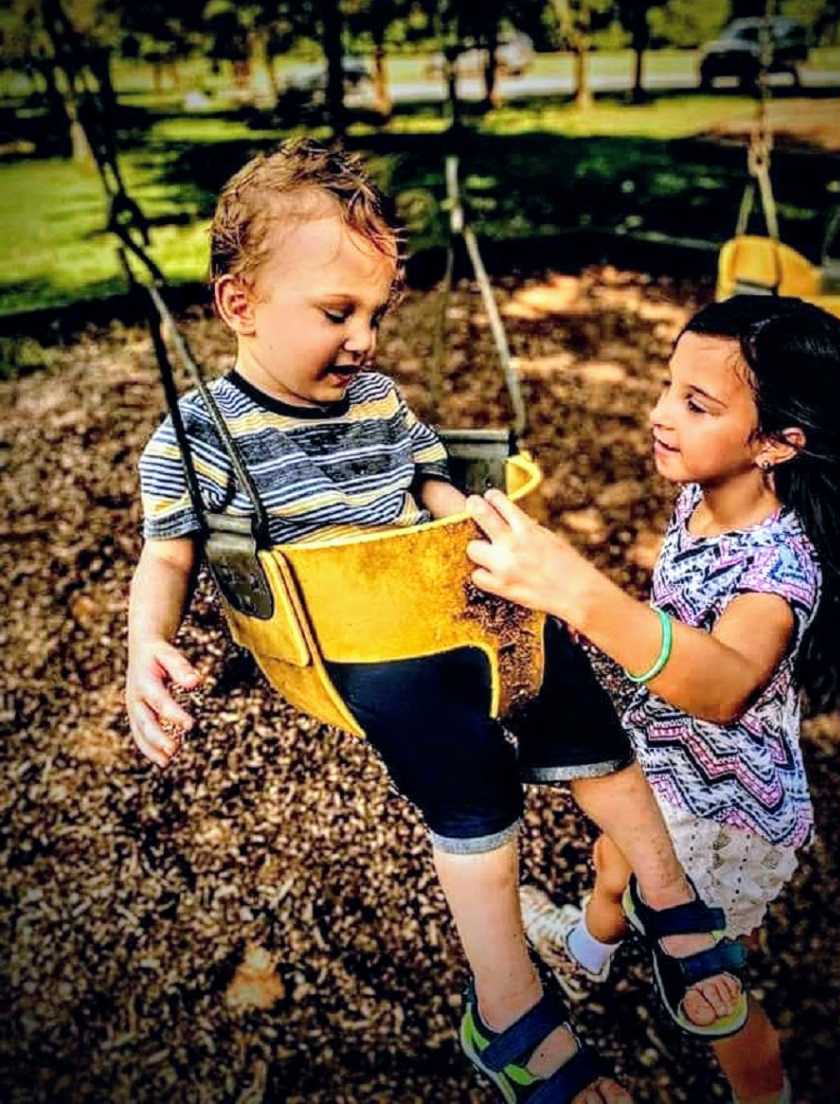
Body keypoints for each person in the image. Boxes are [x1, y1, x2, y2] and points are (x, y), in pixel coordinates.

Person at [126, 139, 748, 1104]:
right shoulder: (199, 435)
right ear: (239, 305)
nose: (366, 338)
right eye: (338, 313)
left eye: (377, 313)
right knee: (470, 778)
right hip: (353, 647)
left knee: (579, 698)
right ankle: (505, 1007)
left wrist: (468, 525)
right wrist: (147, 648)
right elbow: (167, 554)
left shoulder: (374, 396)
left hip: (455, 604)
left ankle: (669, 896)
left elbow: (429, 476)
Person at [465, 293, 840, 1104]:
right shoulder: (706, 496)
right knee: (615, 858)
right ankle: (586, 947)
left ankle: (765, 1092)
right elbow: (675, 617)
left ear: (777, 444)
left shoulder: (780, 571)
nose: (660, 414)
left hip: (725, 812)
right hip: (665, 768)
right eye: (665, 387)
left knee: (719, 1008)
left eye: (696, 403)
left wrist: (582, 596)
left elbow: (722, 686)